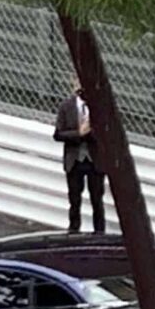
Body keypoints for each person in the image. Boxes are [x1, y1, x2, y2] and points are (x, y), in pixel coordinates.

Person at [54, 82, 106, 234]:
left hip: (94, 161)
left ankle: (99, 233)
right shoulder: (66, 106)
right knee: (74, 200)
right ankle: (74, 231)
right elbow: (58, 134)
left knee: (97, 200)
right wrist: (78, 133)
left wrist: (92, 131)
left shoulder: (99, 107)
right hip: (74, 160)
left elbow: (107, 134)